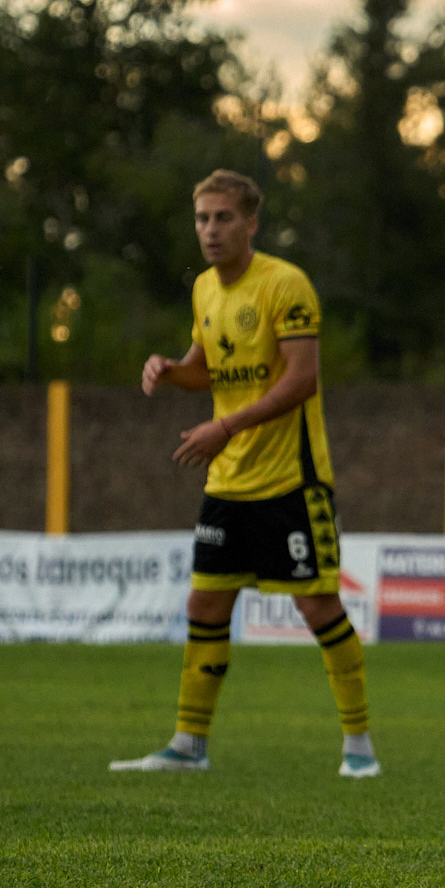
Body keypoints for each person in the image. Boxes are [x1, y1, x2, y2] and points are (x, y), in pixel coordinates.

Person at [110, 169, 379, 779]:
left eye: (223, 217)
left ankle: (359, 748)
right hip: (228, 482)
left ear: (250, 222)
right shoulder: (205, 289)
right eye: (202, 218)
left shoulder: (286, 284)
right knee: (206, 602)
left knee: (317, 609)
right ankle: (188, 744)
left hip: (292, 480)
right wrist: (169, 370)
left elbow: (302, 378)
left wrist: (225, 428)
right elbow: (208, 368)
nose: (210, 229)